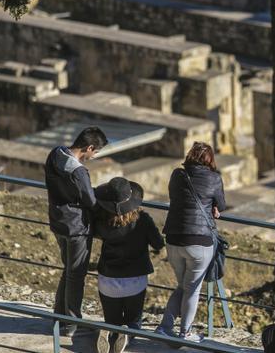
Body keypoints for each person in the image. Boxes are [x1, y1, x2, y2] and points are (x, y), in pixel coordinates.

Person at [155, 142, 226, 342]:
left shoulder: (177, 175)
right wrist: (213, 207)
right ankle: (185, 333)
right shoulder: (214, 178)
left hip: (174, 239)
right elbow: (221, 205)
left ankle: (164, 327)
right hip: (199, 241)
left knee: (184, 286)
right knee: (192, 289)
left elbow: (176, 198)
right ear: (210, 160)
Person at [45, 126, 108, 337]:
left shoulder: (55, 154)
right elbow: (90, 200)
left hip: (58, 221)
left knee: (68, 270)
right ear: (89, 147)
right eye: (95, 152)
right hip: (77, 227)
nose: (94, 156)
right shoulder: (79, 171)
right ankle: (71, 322)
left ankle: (59, 316)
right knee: (76, 275)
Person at [92, 177, 164, 353]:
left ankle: (109, 331)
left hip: (108, 280)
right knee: (134, 320)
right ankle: (129, 333)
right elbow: (158, 244)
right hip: (135, 281)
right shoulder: (143, 220)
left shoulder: (101, 220)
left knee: (111, 319)